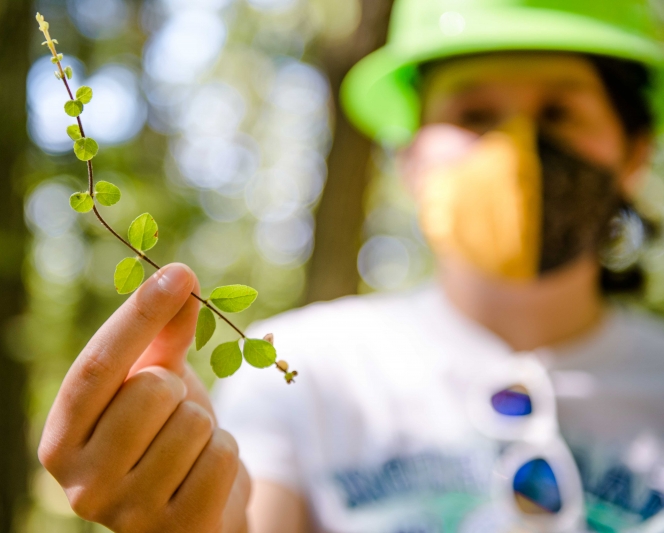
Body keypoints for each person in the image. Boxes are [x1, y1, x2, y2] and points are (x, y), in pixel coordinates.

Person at [37, 0, 664, 531]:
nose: (516, 149)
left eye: (559, 114)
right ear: (410, 154)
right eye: (474, 115)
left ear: (634, 151)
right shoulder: (304, 370)